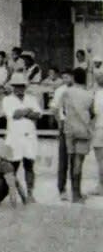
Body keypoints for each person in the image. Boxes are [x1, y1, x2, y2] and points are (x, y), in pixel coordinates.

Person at [2, 73, 42, 203]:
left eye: (22, 86)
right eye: (17, 86)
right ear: (13, 87)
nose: (20, 88)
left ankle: (30, 193)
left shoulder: (31, 98)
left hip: (29, 136)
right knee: (12, 167)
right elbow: (14, 114)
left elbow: (38, 115)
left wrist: (24, 112)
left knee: (29, 165)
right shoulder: (7, 99)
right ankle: (13, 194)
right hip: (15, 137)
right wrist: (27, 111)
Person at [57, 67, 94, 203]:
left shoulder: (66, 93)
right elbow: (92, 112)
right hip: (83, 130)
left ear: (74, 78)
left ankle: (72, 193)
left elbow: (62, 110)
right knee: (78, 162)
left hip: (69, 130)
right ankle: (76, 194)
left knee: (70, 159)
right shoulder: (89, 94)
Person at [50, 69, 73, 198]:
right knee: (63, 158)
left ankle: (75, 190)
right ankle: (62, 188)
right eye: (63, 77)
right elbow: (54, 107)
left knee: (74, 158)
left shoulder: (77, 90)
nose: (66, 80)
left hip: (75, 125)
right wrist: (59, 121)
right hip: (64, 124)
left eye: (68, 77)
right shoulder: (59, 90)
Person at [91, 72, 103, 196]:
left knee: (101, 160)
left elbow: (95, 111)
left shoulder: (98, 94)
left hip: (100, 128)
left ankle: (101, 186)